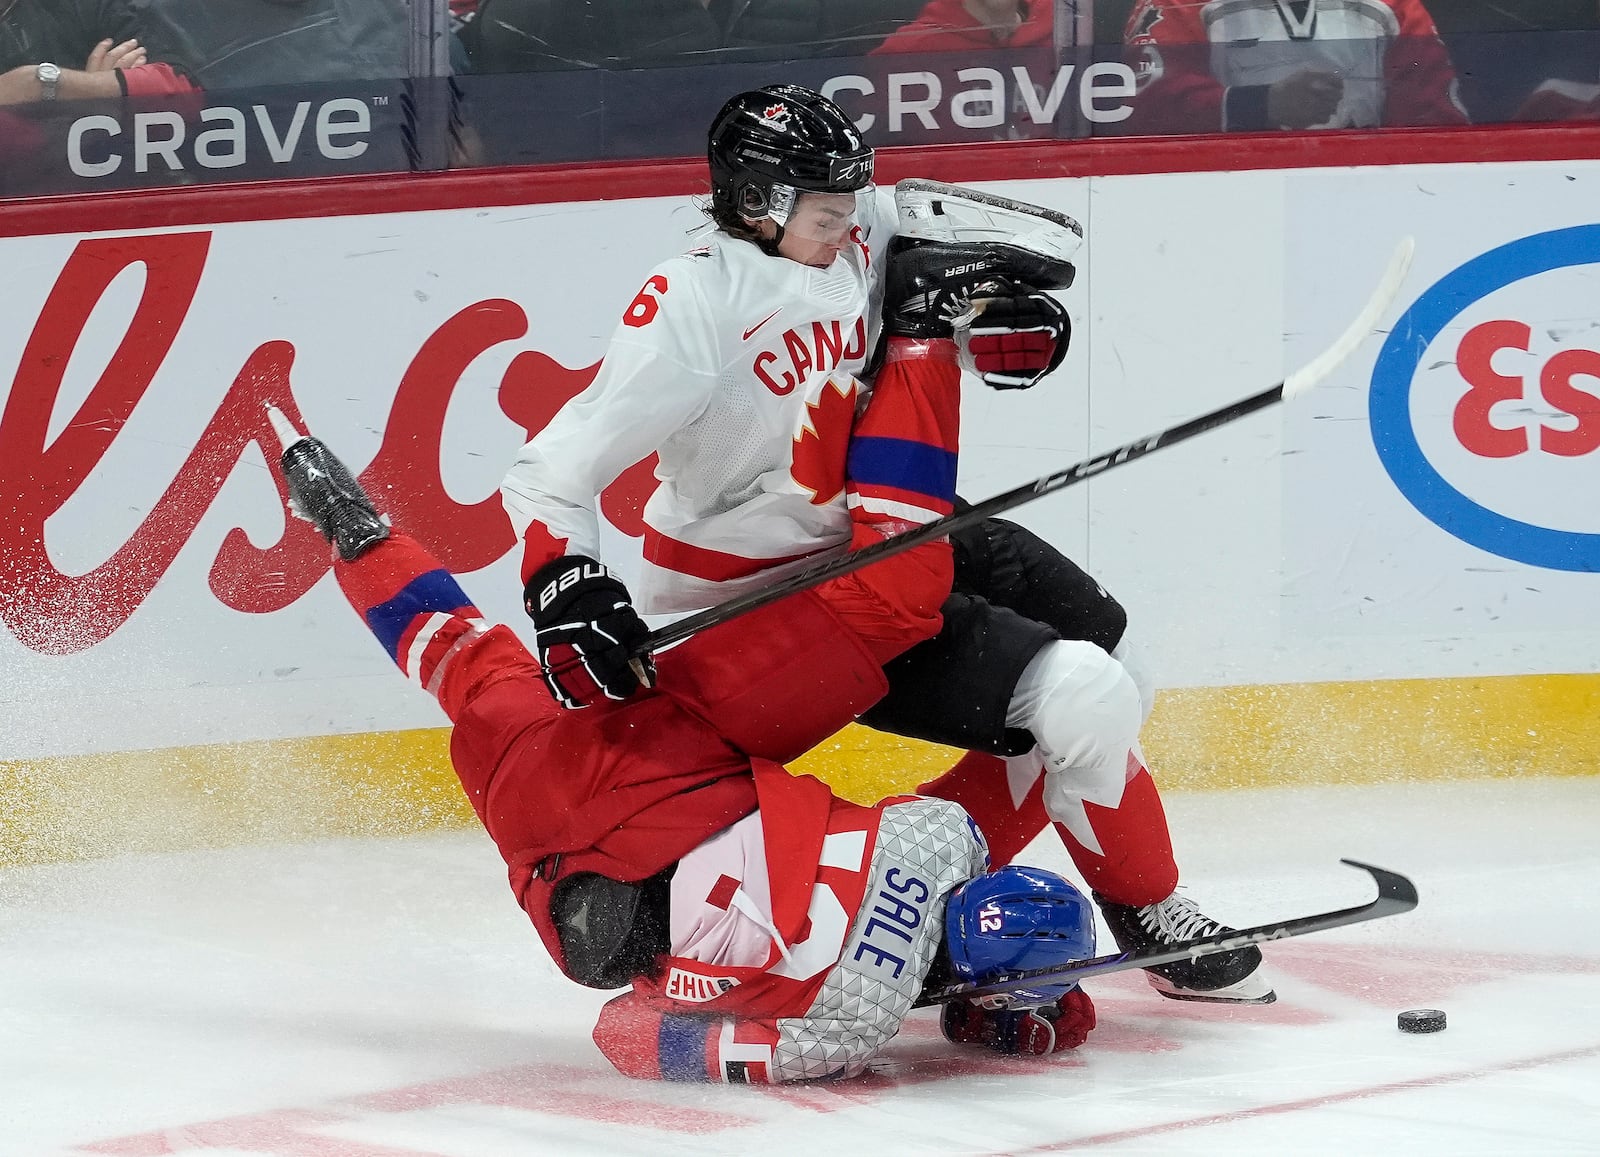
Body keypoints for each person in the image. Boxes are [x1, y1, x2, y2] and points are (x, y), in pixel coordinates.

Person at [500, 84, 1273, 1004]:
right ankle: (1139, 905)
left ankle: (932, 876)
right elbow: (549, 470)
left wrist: (1008, 330)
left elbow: (1038, 256)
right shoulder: (690, 305)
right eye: (827, 214)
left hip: (887, 527)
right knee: (1086, 700)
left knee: (1120, 671)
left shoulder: (867, 221)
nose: (849, 226)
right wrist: (569, 586)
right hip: (756, 601)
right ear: (757, 205)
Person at [267, 408, 1099, 1082]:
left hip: (647, 770)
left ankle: (359, 534)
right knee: (466, 665)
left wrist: (1004, 986)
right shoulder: (844, 1031)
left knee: (462, 651)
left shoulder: (941, 839)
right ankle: (361, 540)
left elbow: (956, 852)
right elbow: (626, 1034)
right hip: (584, 896)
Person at [1120, 0, 1468, 133]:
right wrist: (1262, 104)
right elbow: (1145, 107)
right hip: (1222, 200)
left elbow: (1435, 121)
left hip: (1366, 198)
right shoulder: (1176, 3)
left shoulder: (1395, 5)